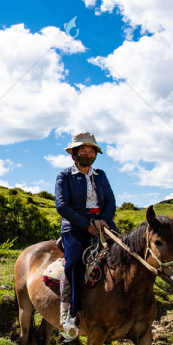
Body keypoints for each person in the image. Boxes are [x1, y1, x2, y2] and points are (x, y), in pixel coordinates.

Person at [54, 132, 117, 334]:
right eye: (84, 151)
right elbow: (62, 206)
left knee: (127, 254)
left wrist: (104, 221)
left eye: (92, 151)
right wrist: (86, 225)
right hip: (75, 226)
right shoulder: (64, 176)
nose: (88, 155)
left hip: (102, 223)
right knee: (74, 263)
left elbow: (110, 201)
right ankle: (71, 312)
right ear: (74, 154)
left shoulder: (101, 175)